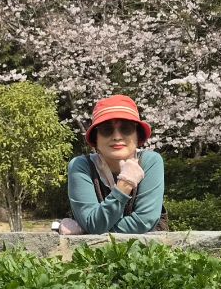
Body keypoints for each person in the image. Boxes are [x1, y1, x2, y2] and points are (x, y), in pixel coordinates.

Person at [59, 95, 165, 235]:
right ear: (96, 138)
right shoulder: (81, 166)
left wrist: (87, 230)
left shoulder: (150, 162)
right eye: (106, 130)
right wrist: (124, 186)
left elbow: (144, 222)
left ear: (137, 135)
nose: (117, 137)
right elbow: (93, 224)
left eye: (126, 128)